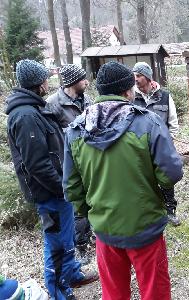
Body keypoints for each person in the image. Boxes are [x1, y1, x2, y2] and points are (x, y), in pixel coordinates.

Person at [63, 61, 183, 299]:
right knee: (154, 291)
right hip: (145, 225)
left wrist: (94, 212)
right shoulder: (148, 122)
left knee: (114, 293)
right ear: (128, 91)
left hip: (105, 229)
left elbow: (71, 188)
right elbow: (171, 173)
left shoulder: (76, 130)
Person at [5, 59, 98, 300]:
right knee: (56, 243)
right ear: (38, 83)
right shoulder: (25, 115)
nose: (48, 82)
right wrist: (63, 187)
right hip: (49, 193)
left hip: (58, 190)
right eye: (45, 78)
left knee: (65, 237)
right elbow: (37, 164)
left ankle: (72, 274)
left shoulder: (35, 108)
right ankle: (59, 290)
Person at [46, 64, 93, 262]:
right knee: (78, 208)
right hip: (70, 164)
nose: (87, 82)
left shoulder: (87, 100)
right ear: (73, 82)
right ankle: (81, 246)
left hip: (89, 160)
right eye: (83, 79)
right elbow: (51, 139)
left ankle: (96, 236)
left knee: (93, 200)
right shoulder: (53, 104)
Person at [132, 61, 181, 226]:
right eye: (134, 76)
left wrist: (168, 143)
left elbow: (173, 123)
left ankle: (170, 212)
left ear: (147, 77)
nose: (135, 79)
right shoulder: (131, 97)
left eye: (138, 75)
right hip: (139, 149)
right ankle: (149, 213)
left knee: (166, 180)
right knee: (143, 180)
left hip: (162, 148)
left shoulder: (165, 96)